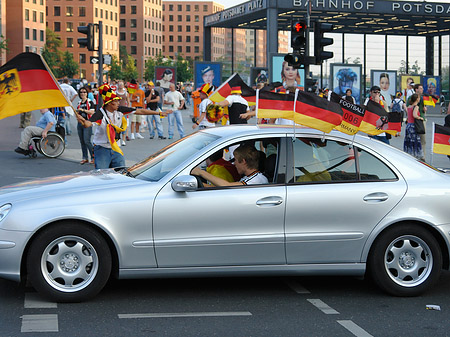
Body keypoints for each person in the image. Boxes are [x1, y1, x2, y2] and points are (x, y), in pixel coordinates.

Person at [75, 84, 171, 169]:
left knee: (121, 173)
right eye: (116, 101)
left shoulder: (120, 110)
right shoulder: (100, 113)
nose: (118, 103)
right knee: (102, 176)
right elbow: (88, 124)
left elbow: (140, 111)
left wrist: (159, 113)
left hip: (116, 147)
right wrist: (83, 121)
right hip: (101, 149)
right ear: (110, 103)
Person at [191, 144, 268, 186]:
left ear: (243, 161)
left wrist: (201, 172)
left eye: (236, 160)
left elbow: (227, 185)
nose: (234, 163)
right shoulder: (252, 177)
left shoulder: (256, 180)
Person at [76, 87, 95, 164]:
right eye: (81, 92)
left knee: (87, 141)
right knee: (82, 141)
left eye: (84, 92)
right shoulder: (79, 102)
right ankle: (85, 157)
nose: (82, 93)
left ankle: (93, 157)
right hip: (80, 123)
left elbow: (92, 112)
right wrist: (78, 116)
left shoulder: (90, 102)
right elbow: (76, 113)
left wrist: (83, 110)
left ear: (87, 93)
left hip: (87, 123)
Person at [403, 93, 424, 160]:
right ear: (417, 99)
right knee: (415, 141)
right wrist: (420, 118)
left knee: (409, 141)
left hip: (408, 125)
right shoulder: (416, 107)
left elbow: (408, 115)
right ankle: (415, 155)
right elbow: (414, 115)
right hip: (413, 126)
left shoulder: (409, 106)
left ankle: (409, 153)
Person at [116, 80, 130, 146]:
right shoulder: (115, 92)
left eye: (121, 84)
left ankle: (123, 140)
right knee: (117, 124)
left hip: (123, 110)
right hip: (117, 109)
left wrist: (128, 109)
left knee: (123, 124)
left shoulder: (126, 93)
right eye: (119, 84)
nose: (120, 86)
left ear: (123, 86)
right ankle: (117, 139)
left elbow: (128, 102)